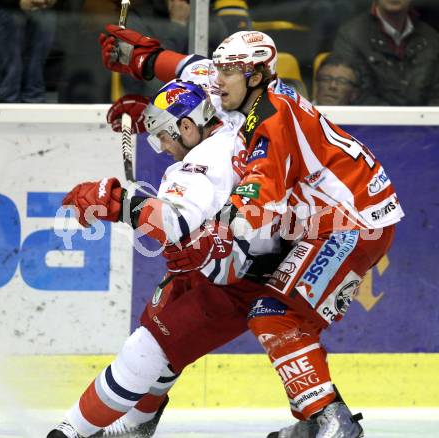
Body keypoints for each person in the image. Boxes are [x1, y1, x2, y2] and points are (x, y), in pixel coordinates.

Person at [118, 29, 403, 436]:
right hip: (336, 217)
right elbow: (193, 69)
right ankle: (315, 419)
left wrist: (209, 235)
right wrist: (147, 60)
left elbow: (255, 200)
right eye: (219, 69)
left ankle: (330, 420)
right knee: (284, 316)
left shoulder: (271, 120)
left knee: (276, 313)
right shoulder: (246, 93)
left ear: (254, 76)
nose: (217, 80)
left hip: (350, 222)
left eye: (229, 71)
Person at [47, 77, 283, 437]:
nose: (160, 146)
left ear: (187, 127)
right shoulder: (226, 112)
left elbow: (173, 221)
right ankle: (137, 426)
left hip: (234, 282)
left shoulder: (202, 164)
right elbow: (198, 70)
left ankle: (68, 433)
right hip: (232, 261)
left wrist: (115, 203)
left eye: (163, 135)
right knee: (160, 328)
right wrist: (150, 100)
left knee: (145, 350)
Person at [332, 0, 439, 105]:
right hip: (370, 119)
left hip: (424, 119)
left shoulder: (431, 39)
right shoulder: (351, 35)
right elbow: (353, 91)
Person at [0, 0, 57, 102]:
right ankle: (8, 102)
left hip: (44, 8)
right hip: (8, 8)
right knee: (11, 68)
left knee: (36, 67)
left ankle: (34, 100)